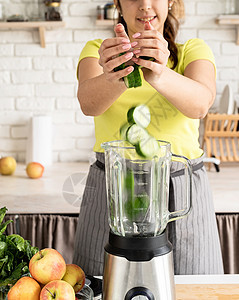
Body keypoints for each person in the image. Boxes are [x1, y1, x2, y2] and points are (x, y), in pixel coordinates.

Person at [73, 0, 224, 276]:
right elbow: (88, 103)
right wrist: (117, 74)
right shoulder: (97, 51)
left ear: (170, 2)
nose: (144, 5)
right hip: (113, 186)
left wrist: (159, 72)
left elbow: (201, 104)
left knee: (194, 287)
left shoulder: (194, 50)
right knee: (99, 286)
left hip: (183, 188)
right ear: (118, 3)